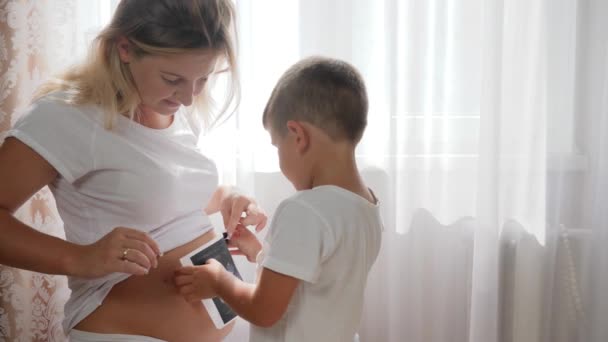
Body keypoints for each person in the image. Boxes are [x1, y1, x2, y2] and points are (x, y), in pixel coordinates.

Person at [0, 1, 267, 341]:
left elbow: (155, 194)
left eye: (203, 79)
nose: (188, 97)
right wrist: (79, 258)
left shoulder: (172, 105)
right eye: (173, 79)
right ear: (124, 48)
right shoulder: (66, 116)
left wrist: (226, 196)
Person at [174, 56, 383, 342]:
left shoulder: (303, 209)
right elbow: (319, 277)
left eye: (277, 145)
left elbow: (264, 310)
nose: (279, 158)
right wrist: (261, 254)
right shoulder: (366, 207)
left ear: (298, 136)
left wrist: (219, 282)